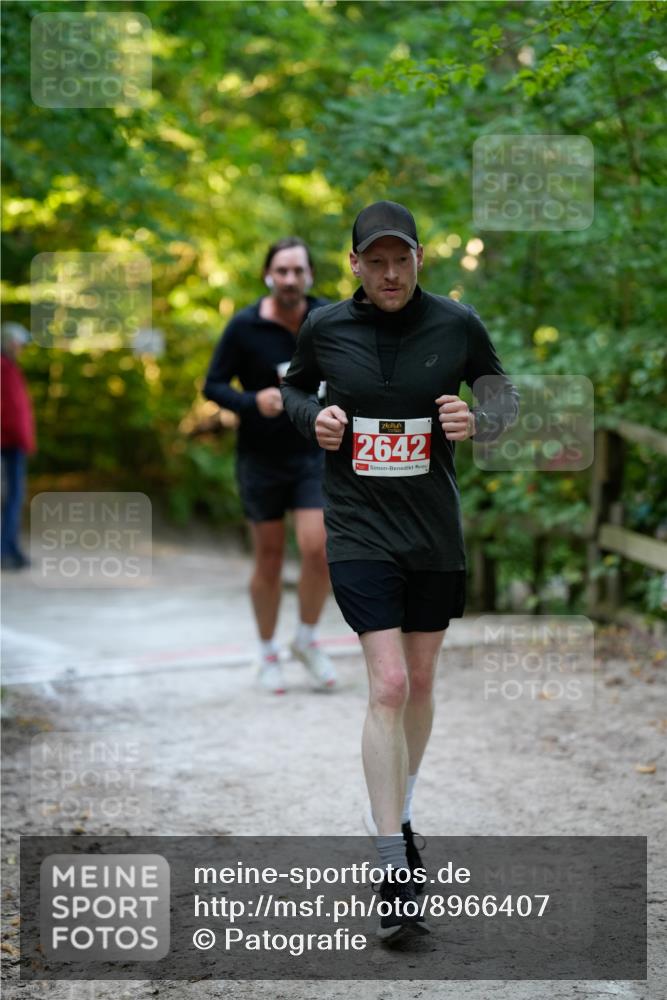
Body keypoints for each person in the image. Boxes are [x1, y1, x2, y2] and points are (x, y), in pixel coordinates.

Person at [282, 201, 519, 940]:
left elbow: (502, 396)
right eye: (376, 261)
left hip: (431, 532)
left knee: (419, 681)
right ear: (354, 264)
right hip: (357, 528)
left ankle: (400, 811)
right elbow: (294, 389)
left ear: (420, 258)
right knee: (387, 683)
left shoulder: (456, 323)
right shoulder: (324, 326)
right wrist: (312, 419)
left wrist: (479, 421)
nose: (390, 273)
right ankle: (393, 864)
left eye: (402, 259)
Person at [204, 238, 337, 695]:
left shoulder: (327, 318)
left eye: (298, 270)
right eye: (282, 270)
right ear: (268, 275)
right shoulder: (245, 326)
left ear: (310, 275)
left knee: (318, 548)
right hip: (260, 458)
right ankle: (266, 652)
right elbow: (213, 385)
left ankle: (306, 640)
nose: (290, 279)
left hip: (313, 453)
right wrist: (251, 401)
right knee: (270, 557)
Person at [1, 323, 36, 571]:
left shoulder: (10, 368)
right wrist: (20, 437)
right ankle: (5, 550)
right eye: (19, 343)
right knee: (12, 497)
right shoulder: (3, 368)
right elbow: (10, 410)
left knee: (14, 497)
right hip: (7, 442)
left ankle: (10, 548)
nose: (21, 348)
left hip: (13, 442)